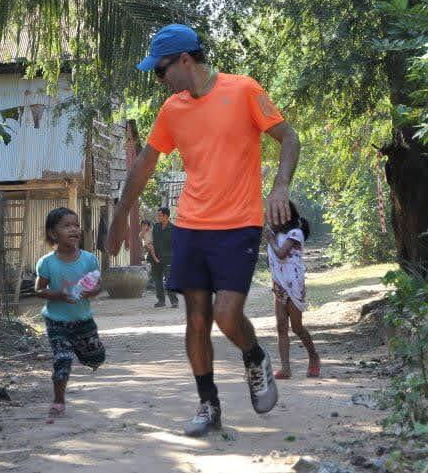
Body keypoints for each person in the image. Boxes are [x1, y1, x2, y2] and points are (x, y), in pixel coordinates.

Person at [107, 23, 301, 437]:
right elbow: (144, 164)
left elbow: (288, 137)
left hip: (239, 224)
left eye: (161, 71)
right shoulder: (173, 110)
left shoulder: (245, 90)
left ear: (185, 60)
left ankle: (254, 355)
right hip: (191, 225)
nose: (159, 80)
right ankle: (208, 405)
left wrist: (280, 185)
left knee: (226, 315)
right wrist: (121, 214)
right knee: (195, 319)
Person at [34, 207, 106, 423]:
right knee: (62, 359)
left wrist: (92, 291)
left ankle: (84, 353)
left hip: (83, 321)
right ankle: (58, 401)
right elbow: (39, 290)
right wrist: (60, 294)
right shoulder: (46, 262)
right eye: (67, 226)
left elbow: (97, 284)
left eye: (76, 225)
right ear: (53, 234)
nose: (74, 229)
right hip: (57, 321)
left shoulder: (89, 259)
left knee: (95, 357)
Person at [266, 202, 320, 379]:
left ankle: (313, 356)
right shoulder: (275, 234)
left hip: (294, 285)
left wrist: (271, 240)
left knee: (297, 327)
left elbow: (281, 254)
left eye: (274, 215)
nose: (270, 218)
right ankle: (285, 368)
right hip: (278, 285)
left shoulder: (295, 233)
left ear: (285, 217)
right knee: (281, 327)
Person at [151, 207, 179, 308]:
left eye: (160, 215)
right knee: (157, 280)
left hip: (168, 258)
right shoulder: (156, 227)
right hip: (156, 258)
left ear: (166, 216)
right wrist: (153, 255)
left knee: (169, 280)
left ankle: (174, 301)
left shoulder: (173, 229)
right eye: (158, 215)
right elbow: (153, 242)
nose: (158, 217)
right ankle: (161, 301)